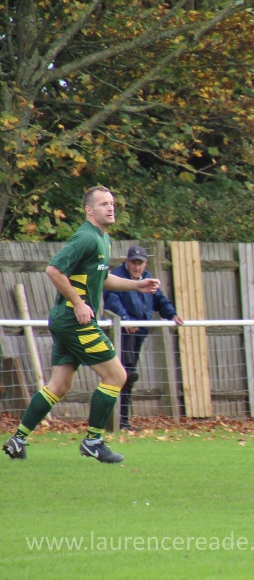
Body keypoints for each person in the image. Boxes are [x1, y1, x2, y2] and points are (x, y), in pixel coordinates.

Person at [2, 187, 161, 463]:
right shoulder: (86, 238)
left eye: (112, 203)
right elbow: (53, 269)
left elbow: (103, 278)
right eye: (103, 204)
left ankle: (17, 440)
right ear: (89, 210)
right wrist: (77, 303)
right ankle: (93, 441)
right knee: (116, 376)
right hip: (75, 321)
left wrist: (137, 285)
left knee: (59, 385)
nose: (110, 208)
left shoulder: (103, 239)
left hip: (66, 321)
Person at [103, 245, 183, 430]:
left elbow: (159, 299)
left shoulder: (147, 278)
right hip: (121, 333)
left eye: (140, 263)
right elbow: (112, 300)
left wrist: (172, 314)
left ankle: (122, 421)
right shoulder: (117, 276)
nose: (137, 267)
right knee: (121, 375)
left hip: (138, 332)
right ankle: (115, 421)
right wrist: (125, 320)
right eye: (134, 263)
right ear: (127, 262)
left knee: (127, 376)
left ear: (145, 264)